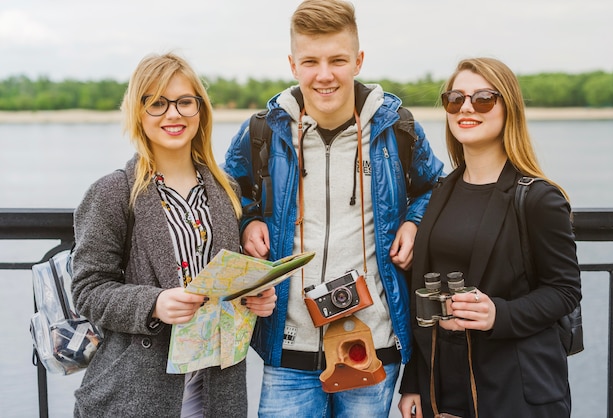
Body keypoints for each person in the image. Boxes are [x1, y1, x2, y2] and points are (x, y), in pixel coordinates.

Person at [223, 0, 444, 416]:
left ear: (358, 61)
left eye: (338, 60)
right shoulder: (262, 131)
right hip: (287, 346)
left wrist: (414, 222)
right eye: (311, 61)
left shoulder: (395, 128)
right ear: (292, 64)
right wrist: (248, 220)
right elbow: (227, 190)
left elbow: (437, 187)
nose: (324, 75)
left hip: (372, 345)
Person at [70, 52, 277, 418]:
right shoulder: (112, 193)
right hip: (135, 395)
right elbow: (87, 291)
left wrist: (253, 299)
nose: (173, 114)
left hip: (217, 392)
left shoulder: (226, 189)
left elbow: (222, 288)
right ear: (138, 112)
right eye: (157, 103)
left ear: (201, 110)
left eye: (184, 102)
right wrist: (154, 303)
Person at [398, 57, 582, 418]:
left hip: (516, 387)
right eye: (455, 99)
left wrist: (499, 313)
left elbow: (565, 291)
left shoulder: (539, 198)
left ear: (508, 108)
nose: (466, 107)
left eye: (483, 98)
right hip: (446, 387)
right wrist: (414, 383)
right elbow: (424, 304)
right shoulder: (439, 193)